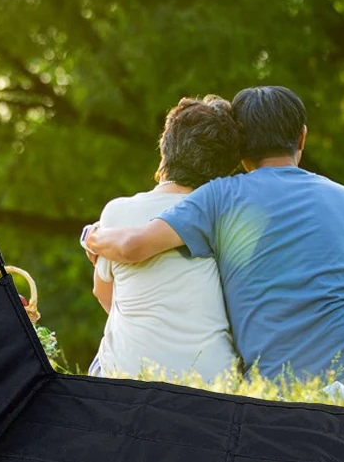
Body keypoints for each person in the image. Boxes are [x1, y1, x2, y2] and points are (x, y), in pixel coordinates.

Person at [84, 85, 344, 397]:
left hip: (272, 385)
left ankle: (326, 397)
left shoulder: (218, 197)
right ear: (302, 137)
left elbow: (136, 245)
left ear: (241, 150)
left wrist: (95, 236)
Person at [86, 94, 242, 384]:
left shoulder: (117, 212)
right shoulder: (228, 215)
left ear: (166, 148)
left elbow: (102, 293)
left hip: (130, 377)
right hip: (214, 381)